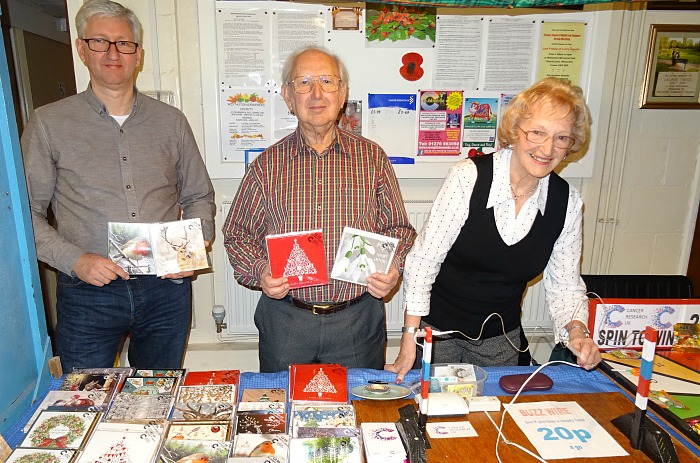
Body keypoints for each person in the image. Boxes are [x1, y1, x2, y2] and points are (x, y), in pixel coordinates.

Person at [22, 0, 215, 372]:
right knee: (85, 399)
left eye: (124, 44)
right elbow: (26, 215)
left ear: (138, 54)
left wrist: (189, 253)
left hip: (165, 289)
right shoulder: (48, 123)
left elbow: (198, 196)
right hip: (87, 291)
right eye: (100, 41)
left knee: (157, 396)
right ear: (81, 49)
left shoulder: (171, 122)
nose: (113, 53)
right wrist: (76, 261)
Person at [386, 77, 602, 383]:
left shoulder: (567, 203)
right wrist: (409, 338)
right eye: (537, 133)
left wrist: (577, 333)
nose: (547, 148)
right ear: (515, 131)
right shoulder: (467, 178)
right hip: (438, 334)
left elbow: (565, 286)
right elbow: (423, 262)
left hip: (502, 339)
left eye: (561, 138)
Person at [222, 45, 415, 373]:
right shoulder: (266, 166)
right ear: (287, 96)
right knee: (283, 408)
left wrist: (393, 269)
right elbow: (237, 233)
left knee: (358, 408)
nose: (316, 93)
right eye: (303, 83)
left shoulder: (372, 159)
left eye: (327, 81)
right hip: (287, 319)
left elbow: (398, 228)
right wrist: (260, 272)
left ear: (342, 94)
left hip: (358, 318)